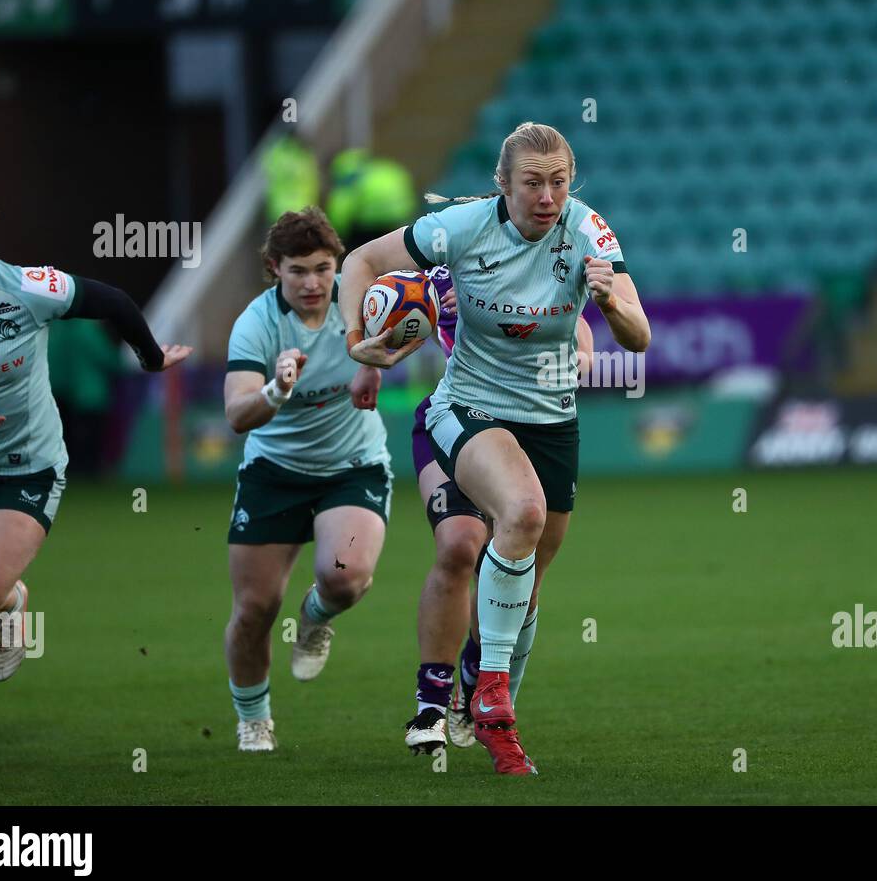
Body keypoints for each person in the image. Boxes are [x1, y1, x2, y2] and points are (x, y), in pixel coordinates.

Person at [339, 122, 651, 775]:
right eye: (532, 183)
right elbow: (360, 262)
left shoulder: (589, 231)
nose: (547, 196)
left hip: (552, 421)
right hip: (469, 407)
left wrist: (608, 302)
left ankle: (481, 689)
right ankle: (485, 707)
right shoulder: (460, 229)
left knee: (525, 588)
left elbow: (638, 337)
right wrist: (356, 343)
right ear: (502, 184)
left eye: (559, 182)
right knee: (517, 516)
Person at [0, 179, 191, 774]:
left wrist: (152, 358)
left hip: (28, 466)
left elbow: (115, 302)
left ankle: (9, 603)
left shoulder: (26, 288)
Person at [222, 206, 405, 752]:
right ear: (274, 268)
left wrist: (375, 364)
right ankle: (254, 719)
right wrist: (276, 391)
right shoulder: (257, 323)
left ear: (337, 266)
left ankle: (316, 616)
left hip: (352, 466)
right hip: (274, 472)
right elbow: (236, 414)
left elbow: (414, 326)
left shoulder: (361, 301)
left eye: (323, 268)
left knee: (345, 578)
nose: (312, 282)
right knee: (254, 610)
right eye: (298, 270)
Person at [401, 270, 594, 756]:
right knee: (459, 545)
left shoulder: (537, 271)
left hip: (531, 429)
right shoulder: (445, 267)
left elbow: (579, 332)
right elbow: (390, 309)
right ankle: (431, 704)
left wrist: (579, 362)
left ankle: (476, 678)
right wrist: (371, 355)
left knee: (522, 578)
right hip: (457, 419)